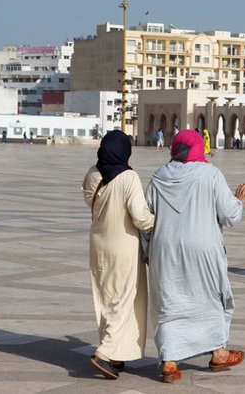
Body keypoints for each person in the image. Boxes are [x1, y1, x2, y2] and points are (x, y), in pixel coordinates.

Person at [145, 130, 245, 383]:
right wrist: (238, 201)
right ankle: (218, 352)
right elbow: (229, 215)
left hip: (165, 249)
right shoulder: (210, 174)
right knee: (211, 297)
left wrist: (146, 250)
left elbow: (145, 218)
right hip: (203, 248)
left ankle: (169, 362)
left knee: (170, 301)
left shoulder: (158, 177)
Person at [82, 130, 155, 380]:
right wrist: (161, 222)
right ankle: (103, 353)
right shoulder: (128, 177)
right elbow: (141, 217)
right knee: (123, 299)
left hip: (98, 243)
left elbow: (89, 201)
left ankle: (115, 355)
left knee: (105, 298)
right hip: (122, 245)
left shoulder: (93, 172)